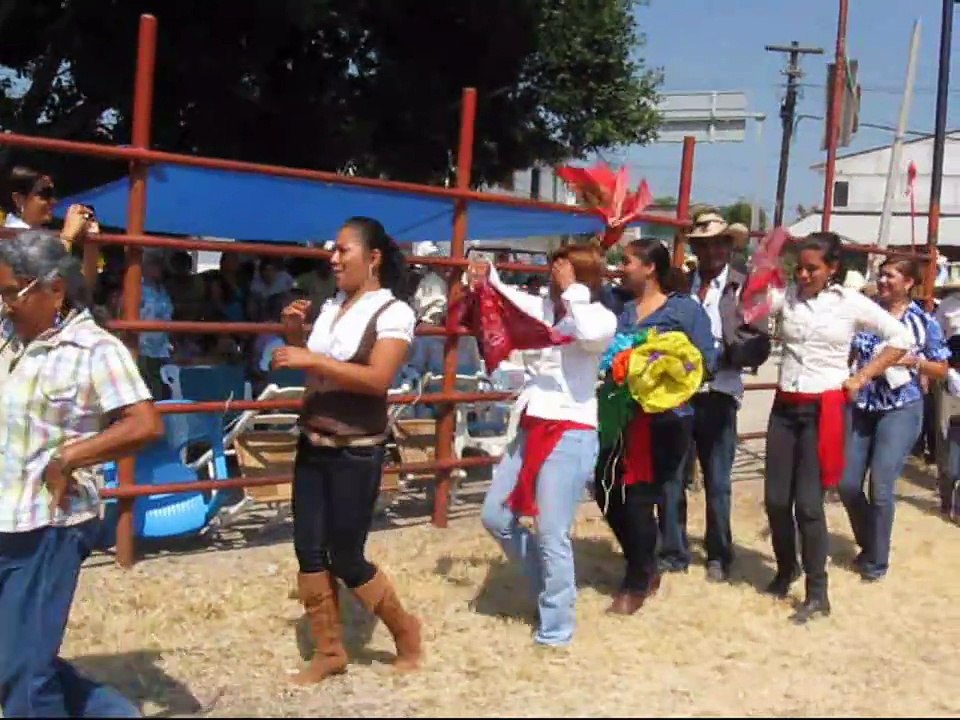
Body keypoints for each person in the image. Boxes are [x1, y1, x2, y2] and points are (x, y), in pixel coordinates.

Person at [0, 231, 163, 717]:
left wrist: (70, 457)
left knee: (23, 675)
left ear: (55, 291)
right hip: (5, 515)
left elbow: (144, 422)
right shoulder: (8, 335)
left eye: (12, 292)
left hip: (50, 521)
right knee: (15, 657)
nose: (5, 303)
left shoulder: (95, 350)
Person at [270, 216, 421, 683]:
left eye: (342, 250)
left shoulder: (395, 313)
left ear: (372, 258)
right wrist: (297, 336)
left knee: (347, 556)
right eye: (332, 251)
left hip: (357, 448)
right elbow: (319, 375)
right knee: (308, 551)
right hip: (313, 438)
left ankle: (405, 631)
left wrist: (311, 356)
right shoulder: (333, 306)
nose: (332, 259)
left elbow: (377, 379)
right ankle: (330, 651)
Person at [761, 232, 912, 623]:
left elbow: (900, 337)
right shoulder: (787, 295)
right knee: (777, 499)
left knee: (809, 504)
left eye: (813, 268)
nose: (805, 273)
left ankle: (817, 591)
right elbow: (752, 305)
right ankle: (785, 567)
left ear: (832, 269)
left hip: (823, 408)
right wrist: (769, 255)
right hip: (785, 405)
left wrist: (862, 377)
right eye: (801, 266)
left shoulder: (850, 304)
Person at [475, 244, 617, 647]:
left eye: (564, 267)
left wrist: (572, 290)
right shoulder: (544, 309)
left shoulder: (598, 316)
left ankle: (556, 627)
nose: (554, 274)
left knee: (552, 531)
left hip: (571, 429)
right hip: (533, 424)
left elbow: (590, 335)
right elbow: (506, 300)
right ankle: (550, 589)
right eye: (554, 266)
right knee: (495, 515)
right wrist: (488, 275)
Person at [594, 238, 717, 614]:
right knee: (604, 487)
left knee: (642, 497)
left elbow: (705, 362)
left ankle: (636, 581)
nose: (622, 267)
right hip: (620, 415)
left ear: (649, 268)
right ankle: (644, 562)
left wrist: (661, 367)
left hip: (666, 419)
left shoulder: (684, 310)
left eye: (628, 261)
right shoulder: (617, 305)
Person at [840, 257, 949, 581]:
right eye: (881, 275)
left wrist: (914, 362)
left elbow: (941, 368)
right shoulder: (866, 314)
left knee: (881, 485)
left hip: (902, 408)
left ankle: (876, 562)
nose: (883, 281)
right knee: (847, 484)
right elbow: (850, 352)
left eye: (890, 276)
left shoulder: (922, 321)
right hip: (862, 406)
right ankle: (871, 542)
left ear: (908, 283)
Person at [684, 211, 766, 582]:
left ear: (729, 247)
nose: (712, 250)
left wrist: (727, 355)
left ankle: (718, 552)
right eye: (704, 244)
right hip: (678, 388)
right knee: (672, 474)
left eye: (719, 242)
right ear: (697, 248)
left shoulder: (747, 287)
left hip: (719, 389)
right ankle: (673, 546)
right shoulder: (682, 283)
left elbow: (758, 340)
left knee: (717, 478)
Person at [2, 166, 98, 250]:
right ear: (19, 199)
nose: (53, 201)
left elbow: (75, 271)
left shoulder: (44, 235)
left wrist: (90, 244)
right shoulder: (8, 239)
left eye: (53, 194)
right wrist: (67, 235)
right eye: (45, 194)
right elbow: (46, 270)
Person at [138, 250, 174, 400]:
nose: (159, 267)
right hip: (144, 348)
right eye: (155, 263)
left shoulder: (162, 290)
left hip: (162, 349)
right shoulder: (137, 288)